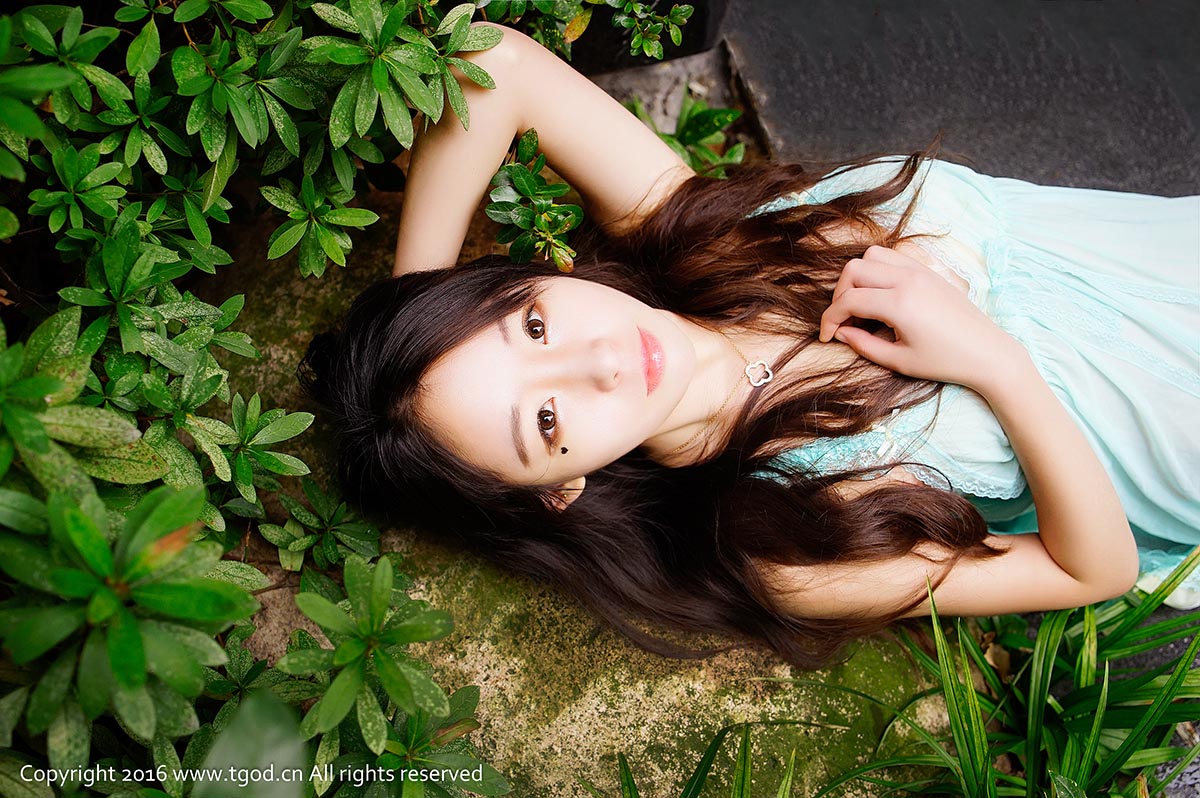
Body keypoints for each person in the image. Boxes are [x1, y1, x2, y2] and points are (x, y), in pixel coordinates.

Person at [299, 25, 1200, 668]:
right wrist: (995, 365)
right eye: (544, 419)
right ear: (560, 490)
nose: (600, 362)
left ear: (528, 278)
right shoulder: (789, 540)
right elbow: (1092, 570)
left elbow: (493, 63)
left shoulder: (693, 236)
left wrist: (417, 313)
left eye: (532, 325)